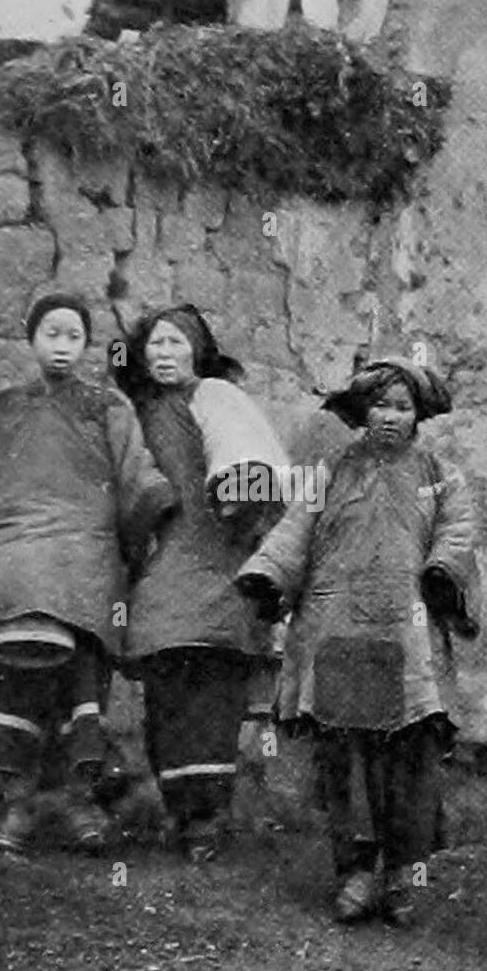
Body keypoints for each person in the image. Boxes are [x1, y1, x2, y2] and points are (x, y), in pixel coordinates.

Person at [237, 359, 480, 926]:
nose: (391, 417)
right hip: (340, 629)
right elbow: (297, 529)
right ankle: (356, 870)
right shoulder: (332, 472)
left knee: (408, 757)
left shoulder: (439, 473)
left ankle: (404, 875)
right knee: (347, 756)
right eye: (381, 405)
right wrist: (271, 575)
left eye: (403, 407)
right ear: (362, 411)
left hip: (406, 636)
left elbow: (458, 530)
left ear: (419, 415)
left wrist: (444, 568)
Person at [0, 292, 176, 855]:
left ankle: (81, 807)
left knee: (82, 694)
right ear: (31, 340)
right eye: (51, 333)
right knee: (16, 691)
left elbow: (136, 475)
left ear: (86, 345)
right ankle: (18, 810)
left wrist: (145, 522)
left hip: (84, 571)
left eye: (73, 336)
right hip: (15, 572)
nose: (61, 346)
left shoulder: (108, 407)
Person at [110, 305, 286, 862]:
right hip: (163, 564)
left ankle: (206, 820)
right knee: (168, 687)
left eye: (175, 343)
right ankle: (181, 811)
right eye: (155, 345)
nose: (164, 354)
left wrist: (239, 495)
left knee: (212, 691)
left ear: (198, 351)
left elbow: (247, 463)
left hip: (216, 558)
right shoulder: (135, 414)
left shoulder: (215, 397)